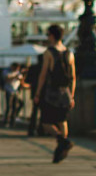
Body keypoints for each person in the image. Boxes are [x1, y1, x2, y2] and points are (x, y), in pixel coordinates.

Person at [33, 24, 76, 163]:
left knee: (46, 123)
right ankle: (61, 149)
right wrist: (72, 95)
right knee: (62, 121)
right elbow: (73, 77)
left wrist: (38, 93)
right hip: (66, 93)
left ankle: (62, 141)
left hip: (52, 92)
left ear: (51, 35)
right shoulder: (69, 53)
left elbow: (43, 75)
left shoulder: (49, 53)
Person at [25, 54, 43, 136]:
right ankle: (41, 130)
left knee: (34, 111)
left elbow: (27, 80)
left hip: (35, 90)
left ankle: (31, 129)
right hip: (45, 91)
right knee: (44, 112)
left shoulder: (33, 68)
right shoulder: (47, 68)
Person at [3, 63, 23, 128]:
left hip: (15, 91)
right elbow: (6, 79)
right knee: (9, 107)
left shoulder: (18, 72)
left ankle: (12, 122)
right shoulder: (6, 71)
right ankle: (6, 122)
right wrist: (15, 77)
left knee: (15, 106)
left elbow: (21, 79)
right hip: (8, 90)